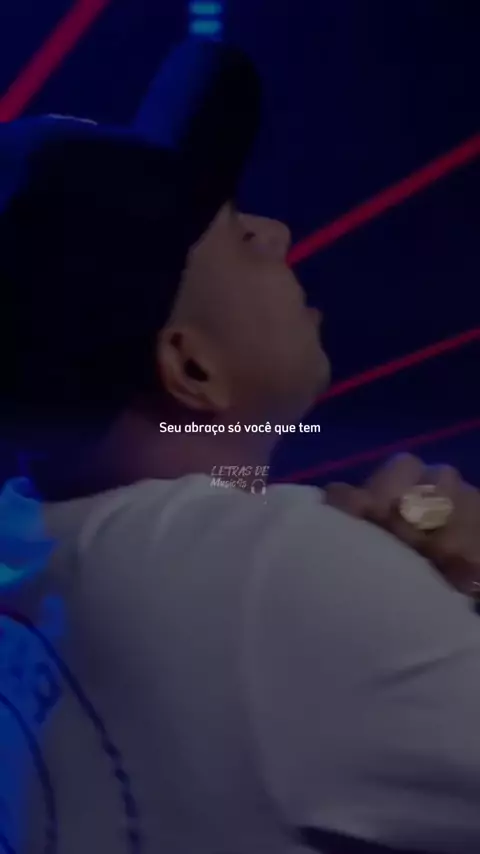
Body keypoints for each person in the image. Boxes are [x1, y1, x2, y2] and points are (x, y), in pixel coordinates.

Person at [0, 38, 480, 854]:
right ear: (191, 366)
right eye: (234, 235)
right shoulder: (276, 572)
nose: (278, 231)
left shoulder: (26, 541)